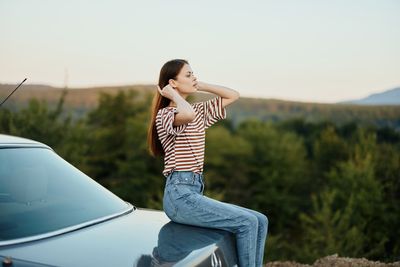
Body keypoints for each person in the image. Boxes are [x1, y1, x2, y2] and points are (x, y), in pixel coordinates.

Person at [147, 59, 268, 267]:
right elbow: (187, 114)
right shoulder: (165, 115)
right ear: (172, 83)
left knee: (260, 220)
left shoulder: (198, 111)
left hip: (193, 191)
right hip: (179, 195)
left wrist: (199, 85)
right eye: (188, 75)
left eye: (193, 73)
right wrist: (173, 95)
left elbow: (233, 95)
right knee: (246, 223)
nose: (193, 77)